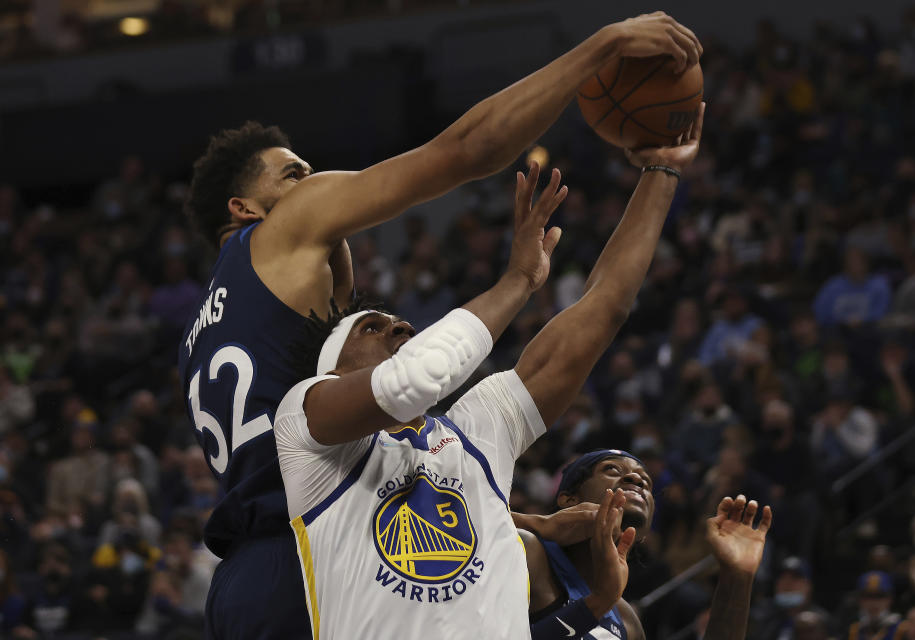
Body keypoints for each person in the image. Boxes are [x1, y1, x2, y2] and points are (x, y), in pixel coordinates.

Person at [178, 13, 702, 638]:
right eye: (295, 174)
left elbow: (601, 311)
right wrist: (601, 47)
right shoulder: (282, 235)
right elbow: (464, 152)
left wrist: (522, 523)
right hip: (305, 557)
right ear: (246, 208)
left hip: (250, 569)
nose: (314, 183)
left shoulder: (209, 328)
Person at [272, 107, 705, 638]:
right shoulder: (305, 421)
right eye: (372, 328)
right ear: (333, 370)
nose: (402, 327)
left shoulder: (477, 431)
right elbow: (413, 380)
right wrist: (520, 280)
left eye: (400, 322)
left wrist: (661, 170)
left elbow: (605, 308)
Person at [520, 450, 771, 640]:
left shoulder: (625, 618)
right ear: (569, 499)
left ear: (643, 532)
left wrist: (736, 578)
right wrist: (540, 524)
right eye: (611, 469)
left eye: (646, 483)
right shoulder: (528, 552)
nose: (635, 479)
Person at [846, 571, 904, 640]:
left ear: (890, 599)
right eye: (868, 596)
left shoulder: (902, 628)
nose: (873, 602)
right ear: (859, 600)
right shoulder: (852, 629)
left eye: (879, 596)